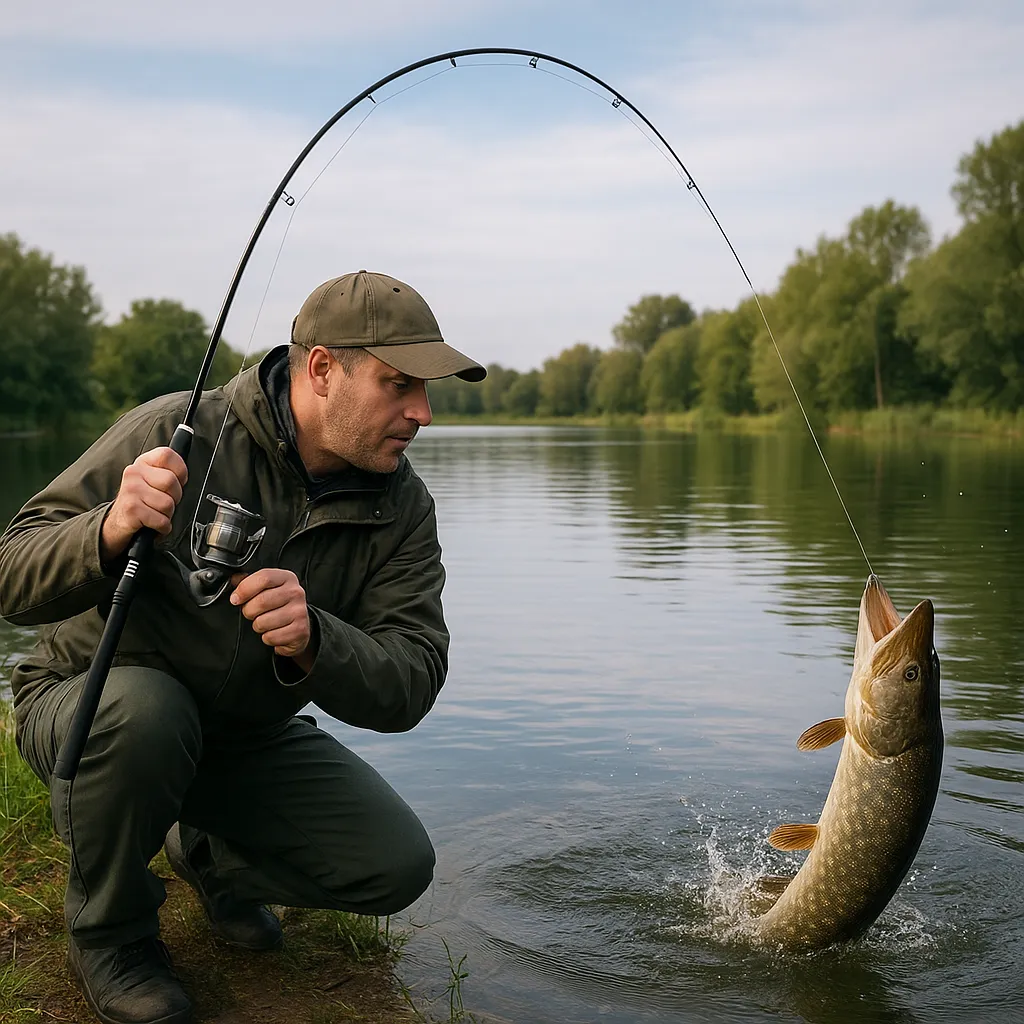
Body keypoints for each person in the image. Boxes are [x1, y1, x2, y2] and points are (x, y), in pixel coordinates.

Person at [0, 270, 486, 1024]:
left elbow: (414, 676)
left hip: (245, 737)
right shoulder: (175, 427)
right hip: (91, 708)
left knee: (394, 865)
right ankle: (113, 938)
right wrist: (108, 526)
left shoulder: (403, 507)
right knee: (147, 712)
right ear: (323, 369)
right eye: (399, 386)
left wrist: (316, 640)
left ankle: (206, 857)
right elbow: (11, 573)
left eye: (426, 391)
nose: (421, 413)